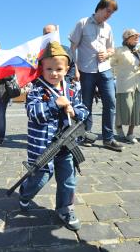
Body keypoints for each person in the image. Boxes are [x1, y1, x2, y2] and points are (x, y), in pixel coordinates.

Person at [19, 41, 89, 231]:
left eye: (58, 69)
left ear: (67, 69)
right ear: (41, 68)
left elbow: (84, 111)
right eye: (49, 68)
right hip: (42, 147)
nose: (54, 73)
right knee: (40, 179)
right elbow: (34, 113)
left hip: (66, 146)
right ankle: (25, 193)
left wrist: (75, 111)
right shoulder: (36, 89)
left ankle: (65, 208)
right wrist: (55, 104)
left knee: (68, 179)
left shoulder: (72, 90)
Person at [69, 0, 124, 151]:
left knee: (110, 102)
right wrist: (75, 69)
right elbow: (72, 48)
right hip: (86, 71)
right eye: (108, 11)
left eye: (112, 13)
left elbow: (112, 49)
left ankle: (108, 138)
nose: (109, 15)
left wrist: (107, 54)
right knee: (86, 105)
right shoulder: (82, 23)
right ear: (100, 8)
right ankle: (87, 135)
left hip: (105, 69)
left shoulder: (108, 28)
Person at [111, 29, 140, 144]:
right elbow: (110, 64)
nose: (137, 38)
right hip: (124, 84)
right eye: (134, 36)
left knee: (135, 110)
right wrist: (115, 76)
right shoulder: (119, 50)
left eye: (138, 36)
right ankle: (118, 124)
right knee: (126, 108)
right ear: (126, 38)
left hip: (138, 84)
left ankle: (130, 133)